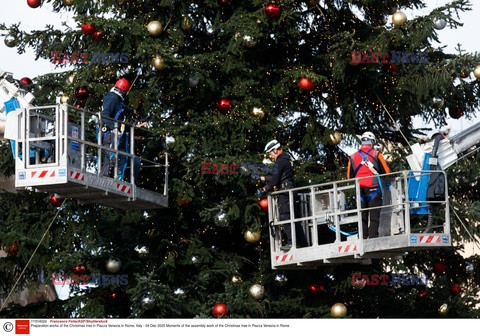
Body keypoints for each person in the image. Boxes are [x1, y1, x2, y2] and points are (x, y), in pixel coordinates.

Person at [259, 140, 308, 250]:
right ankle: (303, 244)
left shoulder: (280, 161)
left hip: (285, 192)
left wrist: (264, 189)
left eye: (270, 152)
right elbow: (277, 177)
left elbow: (275, 179)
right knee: (294, 219)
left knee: (285, 217)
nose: (270, 155)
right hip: (289, 189)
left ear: (275, 150)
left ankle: (291, 243)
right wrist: (262, 178)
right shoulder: (285, 159)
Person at [347, 131, 391, 239]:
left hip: (359, 190)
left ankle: (362, 237)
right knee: (374, 216)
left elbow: (349, 176)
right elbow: (387, 171)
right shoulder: (377, 154)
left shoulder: (352, 157)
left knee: (362, 216)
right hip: (374, 189)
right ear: (372, 142)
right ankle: (372, 237)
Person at [100, 78, 140, 179]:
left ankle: (114, 179)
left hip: (115, 135)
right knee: (111, 158)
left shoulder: (116, 99)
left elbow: (121, 108)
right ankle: (104, 180)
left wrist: (132, 111)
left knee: (123, 159)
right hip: (109, 134)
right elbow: (104, 115)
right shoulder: (112, 98)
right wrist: (114, 128)